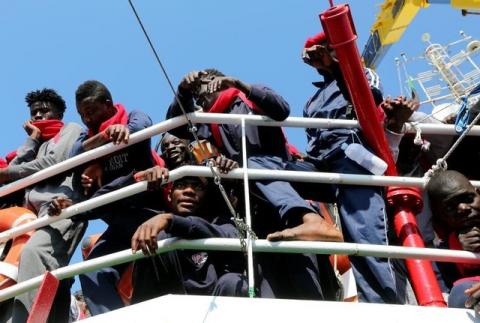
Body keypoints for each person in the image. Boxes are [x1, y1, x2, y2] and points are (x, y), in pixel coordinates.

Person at [301, 31, 421, 304]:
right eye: (312, 56)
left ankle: (381, 304)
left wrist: (338, 64)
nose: (315, 59)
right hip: (320, 164)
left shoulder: (358, 73)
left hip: (351, 160)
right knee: (272, 173)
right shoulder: (311, 101)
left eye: (320, 52)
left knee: (366, 234)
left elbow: (367, 98)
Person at [166, 69, 342, 243]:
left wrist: (240, 85)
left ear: (215, 81)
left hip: (290, 170)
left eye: (199, 87)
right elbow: (177, 128)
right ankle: (305, 223)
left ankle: (312, 220)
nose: (197, 95)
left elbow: (281, 109)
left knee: (252, 163)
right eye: (194, 92)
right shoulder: (209, 124)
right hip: (259, 196)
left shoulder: (248, 97)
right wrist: (183, 91)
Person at [66, 80, 157, 316]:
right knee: (91, 270)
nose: (87, 119)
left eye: (91, 111)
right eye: (82, 114)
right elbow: (74, 154)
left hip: (150, 213)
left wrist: (122, 131)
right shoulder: (88, 137)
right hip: (120, 221)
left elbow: (142, 126)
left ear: (108, 105)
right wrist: (106, 137)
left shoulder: (132, 116)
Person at [0, 88, 85, 322]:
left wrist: (10, 173)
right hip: (29, 219)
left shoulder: (71, 130)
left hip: (61, 208)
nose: (38, 116)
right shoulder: (34, 145)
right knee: (40, 269)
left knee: (34, 254)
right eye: (34, 112)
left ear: (57, 113)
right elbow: (12, 174)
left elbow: (54, 162)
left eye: (43, 111)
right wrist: (31, 140)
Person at [130, 175, 247, 301]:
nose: (189, 191)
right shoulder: (156, 229)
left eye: (197, 187)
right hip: (173, 308)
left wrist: (171, 220)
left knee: (233, 281)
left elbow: (230, 235)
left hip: (216, 307)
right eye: (180, 186)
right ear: (169, 195)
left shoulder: (221, 222)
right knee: (153, 238)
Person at [426, 170, 480, 312]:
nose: (463, 208)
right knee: (461, 293)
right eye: (450, 207)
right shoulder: (442, 257)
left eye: (468, 198)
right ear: (440, 216)